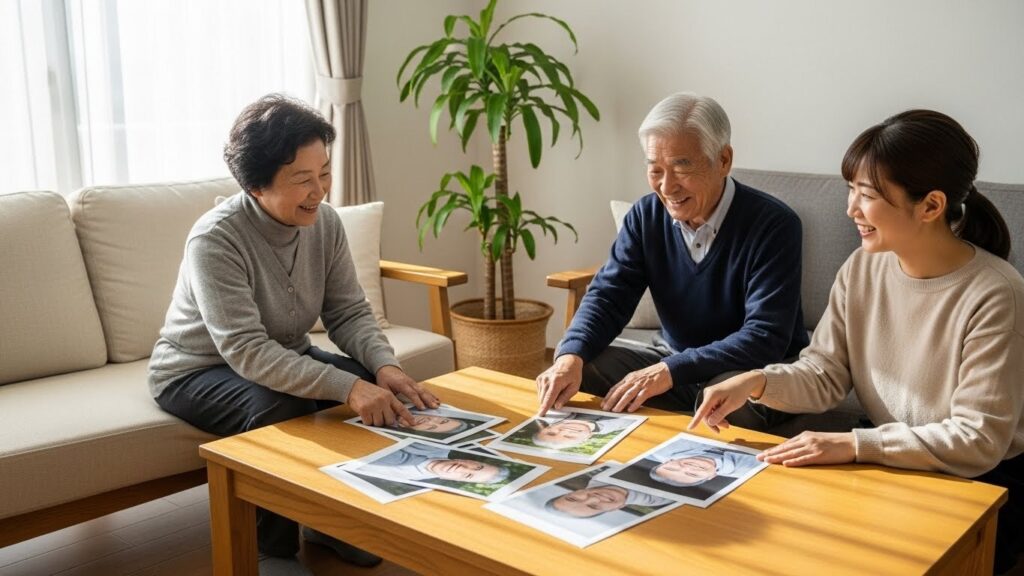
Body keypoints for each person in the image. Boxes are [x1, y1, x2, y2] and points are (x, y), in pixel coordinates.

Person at [689, 109, 1024, 574]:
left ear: (930, 206)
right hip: (893, 463)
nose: (850, 209)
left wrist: (853, 444)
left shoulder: (996, 293)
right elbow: (825, 373)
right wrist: (755, 382)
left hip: (982, 483)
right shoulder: (863, 268)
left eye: (866, 195)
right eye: (852, 190)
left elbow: (978, 438)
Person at [148, 94, 440, 575]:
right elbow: (246, 351)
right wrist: (347, 387)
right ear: (255, 185)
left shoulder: (324, 223)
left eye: (324, 172)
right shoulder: (215, 240)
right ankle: (272, 548)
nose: (320, 190)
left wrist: (383, 366)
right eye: (302, 179)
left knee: (369, 375)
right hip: (195, 370)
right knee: (282, 405)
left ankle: (330, 520)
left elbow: (348, 311)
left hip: (279, 354)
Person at [536, 92, 808, 431]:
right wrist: (568, 357)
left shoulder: (775, 224)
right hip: (672, 363)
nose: (667, 186)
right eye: (655, 169)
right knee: (582, 366)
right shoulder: (645, 217)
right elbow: (608, 296)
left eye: (682, 166)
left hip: (752, 372)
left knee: (727, 405)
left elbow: (765, 336)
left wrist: (668, 372)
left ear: (723, 160)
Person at [358, 442, 510, 484]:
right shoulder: (434, 444)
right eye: (478, 466)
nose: (464, 469)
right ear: (472, 460)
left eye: (469, 476)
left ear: (455, 481)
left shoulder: (407, 481)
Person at [548, 477, 672, 518]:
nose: (594, 498)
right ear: (616, 508)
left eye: (573, 499)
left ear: (574, 492)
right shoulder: (655, 498)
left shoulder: (598, 474)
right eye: (593, 506)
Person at [648, 445, 754, 487]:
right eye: (692, 474)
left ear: (667, 461)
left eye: (672, 468)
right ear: (712, 476)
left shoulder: (664, 447)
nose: (687, 468)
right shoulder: (749, 470)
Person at [531, 412, 635, 449]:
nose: (563, 431)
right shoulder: (622, 425)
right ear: (586, 439)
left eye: (551, 433)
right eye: (569, 437)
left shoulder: (555, 415)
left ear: (545, 427)